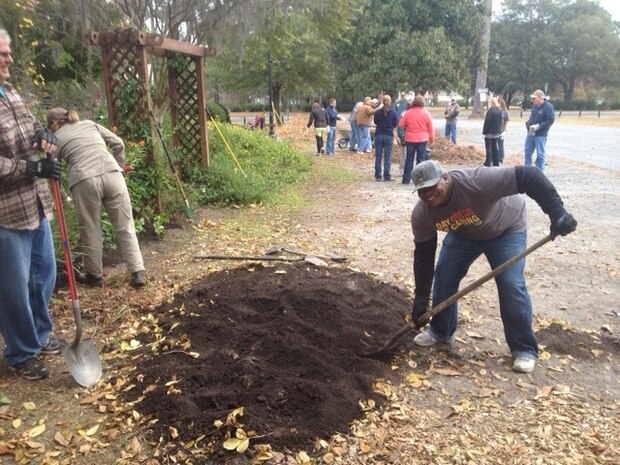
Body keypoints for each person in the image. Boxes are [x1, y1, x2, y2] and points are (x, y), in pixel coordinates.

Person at [409, 160, 577, 373]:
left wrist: (557, 213)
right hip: (464, 233)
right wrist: (421, 300)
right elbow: (424, 257)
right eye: (421, 190)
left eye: (432, 186)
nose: (427, 193)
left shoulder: (477, 181)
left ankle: (524, 349)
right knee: (444, 276)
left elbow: (529, 176)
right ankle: (440, 331)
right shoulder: (422, 214)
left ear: (445, 177)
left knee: (510, 284)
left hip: (506, 229)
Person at [0, 28, 66, 380]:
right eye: (2, 54)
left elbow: (30, 126)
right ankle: (20, 351)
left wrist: (43, 134)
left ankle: (40, 335)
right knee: (12, 287)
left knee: (44, 275)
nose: (9, 59)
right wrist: (28, 167)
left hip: (35, 203)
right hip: (6, 212)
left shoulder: (8, 91)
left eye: (8, 52)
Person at [47, 108, 146, 289]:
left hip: (84, 180)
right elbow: (118, 144)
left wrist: (61, 196)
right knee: (125, 225)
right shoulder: (90, 124)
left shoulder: (55, 138)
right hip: (112, 174)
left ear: (53, 124)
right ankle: (137, 272)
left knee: (91, 228)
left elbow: (52, 172)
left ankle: (94, 275)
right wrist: (119, 166)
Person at [398, 96, 434, 184]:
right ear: (422, 103)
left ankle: (406, 179)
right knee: (421, 160)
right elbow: (431, 127)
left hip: (410, 139)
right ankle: (419, 180)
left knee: (409, 159)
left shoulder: (408, 113)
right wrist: (432, 139)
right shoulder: (426, 113)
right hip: (422, 139)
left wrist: (408, 126)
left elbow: (400, 125)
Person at [524, 89, 555, 171]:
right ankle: (527, 171)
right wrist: (528, 124)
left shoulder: (548, 107)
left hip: (541, 134)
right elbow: (532, 117)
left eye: (535, 98)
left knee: (540, 154)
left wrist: (539, 126)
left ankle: (539, 172)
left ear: (540, 98)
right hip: (531, 132)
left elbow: (550, 120)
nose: (533, 100)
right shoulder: (534, 106)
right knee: (527, 152)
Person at [373, 95, 398, 181]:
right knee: (387, 157)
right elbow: (395, 124)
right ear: (390, 102)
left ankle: (378, 176)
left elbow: (376, 122)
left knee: (378, 156)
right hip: (388, 135)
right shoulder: (393, 112)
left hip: (379, 135)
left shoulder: (377, 112)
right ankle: (387, 176)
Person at [482, 97, 503, 167]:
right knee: (495, 147)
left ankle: (488, 162)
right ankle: (496, 162)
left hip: (489, 132)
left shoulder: (490, 111)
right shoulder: (499, 111)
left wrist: (484, 131)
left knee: (488, 147)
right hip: (496, 132)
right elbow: (500, 122)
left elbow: (487, 122)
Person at [498, 97, 510, 164]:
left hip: (501, 130)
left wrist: (505, 131)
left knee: (500, 145)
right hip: (495, 130)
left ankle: (500, 159)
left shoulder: (505, 112)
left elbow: (507, 121)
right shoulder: (496, 110)